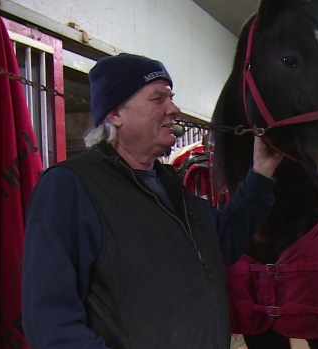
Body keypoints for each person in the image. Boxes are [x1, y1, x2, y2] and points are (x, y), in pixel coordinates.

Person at [21, 53, 283, 349]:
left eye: (171, 97)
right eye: (158, 99)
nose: (173, 108)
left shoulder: (169, 185)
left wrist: (262, 171)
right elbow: (50, 325)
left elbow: (226, 240)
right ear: (115, 113)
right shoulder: (69, 187)